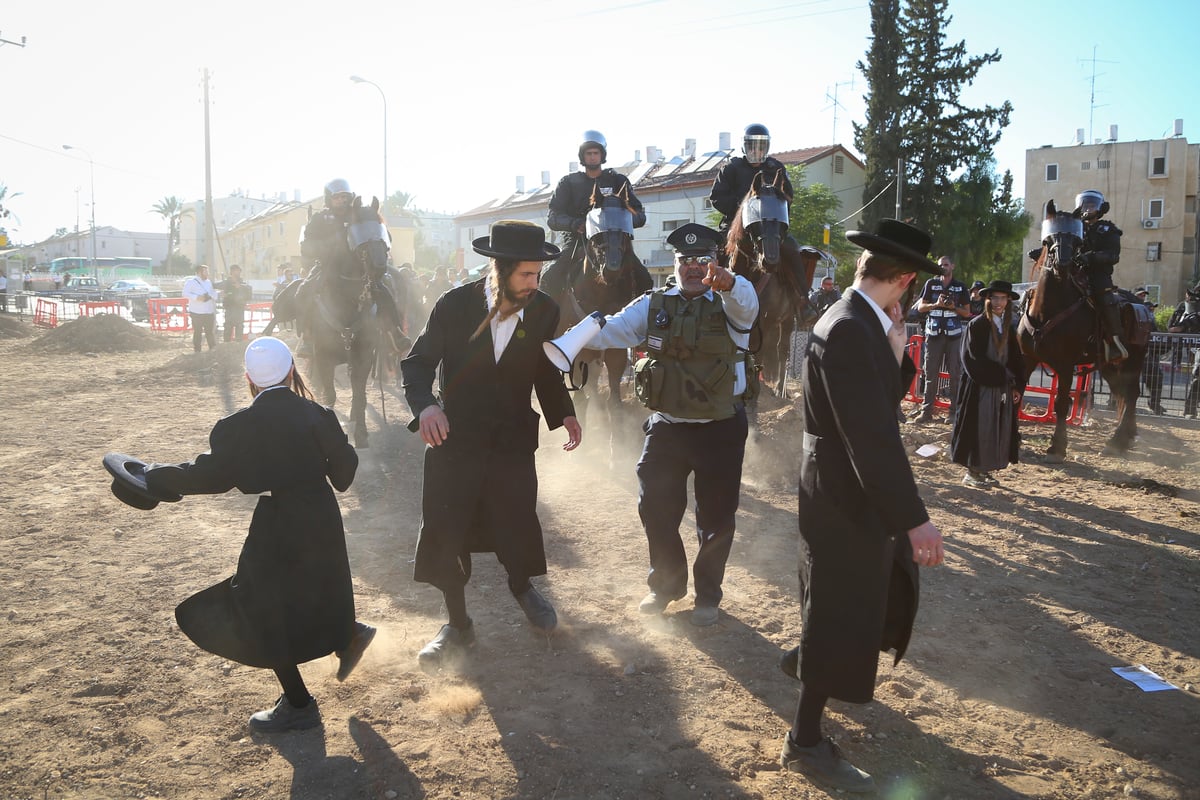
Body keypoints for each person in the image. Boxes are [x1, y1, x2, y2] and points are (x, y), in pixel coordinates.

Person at [120, 337, 376, 732]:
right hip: (322, 515)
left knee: (262, 609)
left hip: (279, 523)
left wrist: (152, 476)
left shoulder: (237, 426)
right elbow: (343, 477)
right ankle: (349, 636)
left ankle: (299, 704)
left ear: (248, 379)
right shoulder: (319, 414)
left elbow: (209, 476)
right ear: (292, 370)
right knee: (319, 585)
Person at [778, 218, 945, 794]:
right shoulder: (850, 327)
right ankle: (803, 740)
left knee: (842, 601)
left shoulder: (855, 320)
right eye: (914, 283)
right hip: (845, 493)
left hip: (837, 484)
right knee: (840, 608)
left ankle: (806, 653)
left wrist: (897, 353)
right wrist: (914, 518)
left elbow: (867, 405)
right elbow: (871, 437)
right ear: (902, 279)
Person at [401, 220, 582, 669]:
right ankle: (457, 626)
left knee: (516, 521)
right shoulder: (454, 305)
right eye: (526, 275)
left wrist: (564, 413)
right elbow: (418, 364)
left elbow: (544, 370)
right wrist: (426, 408)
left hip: (511, 442)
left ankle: (521, 586)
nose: (534, 285)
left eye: (538, 275)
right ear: (498, 269)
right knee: (448, 533)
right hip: (454, 440)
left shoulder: (543, 310)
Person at [564, 223, 759, 626]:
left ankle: (708, 596)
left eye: (702, 260)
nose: (692, 267)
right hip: (668, 426)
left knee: (716, 517)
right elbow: (612, 329)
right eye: (685, 260)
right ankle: (666, 586)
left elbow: (748, 303)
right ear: (675, 263)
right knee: (654, 505)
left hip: (719, 426)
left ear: (715, 262)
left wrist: (730, 281)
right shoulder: (652, 304)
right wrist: (568, 340)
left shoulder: (731, 302)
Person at [541, 130, 648, 300]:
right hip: (577, 241)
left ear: (602, 155)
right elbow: (553, 217)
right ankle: (548, 318)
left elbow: (639, 215)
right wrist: (575, 224)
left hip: (613, 242)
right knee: (549, 278)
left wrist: (622, 221)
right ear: (582, 156)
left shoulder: (618, 181)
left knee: (645, 279)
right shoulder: (568, 182)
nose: (592, 157)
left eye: (595, 153)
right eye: (588, 153)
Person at [709, 124, 806, 290]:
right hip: (736, 226)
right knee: (713, 251)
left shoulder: (776, 168)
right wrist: (744, 209)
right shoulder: (731, 168)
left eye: (760, 147)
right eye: (752, 147)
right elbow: (717, 197)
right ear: (745, 147)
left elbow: (788, 197)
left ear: (766, 148)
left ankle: (803, 297)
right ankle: (711, 295)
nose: (756, 151)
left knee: (793, 249)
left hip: (770, 227)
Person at [950, 280, 1025, 487]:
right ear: (988, 300)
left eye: (1002, 298)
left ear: (1009, 300)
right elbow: (972, 359)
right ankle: (972, 471)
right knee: (980, 426)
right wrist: (1002, 376)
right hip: (980, 387)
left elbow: (1016, 360)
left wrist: (1016, 385)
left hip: (1002, 386)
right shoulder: (978, 325)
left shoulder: (1008, 327)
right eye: (994, 298)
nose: (998, 302)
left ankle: (984, 470)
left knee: (997, 427)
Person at [911, 255, 969, 424]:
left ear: (953, 266)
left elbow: (967, 312)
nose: (943, 267)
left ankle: (954, 412)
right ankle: (926, 411)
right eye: (940, 265)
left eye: (946, 264)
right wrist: (936, 304)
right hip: (934, 334)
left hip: (954, 335)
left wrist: (953, 307)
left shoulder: (960, 287)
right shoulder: (931, 284)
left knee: (954, 374)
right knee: (930, 374)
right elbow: (921, 307)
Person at [1074, 189, 1128, 362]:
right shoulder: (1074, 227)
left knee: (1104, 296)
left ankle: (1114, 341)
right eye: (1084, 205)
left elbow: (1113, 256)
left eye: (1091, 205)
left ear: (1100, 208)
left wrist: (1090, 257)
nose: (1087, 209)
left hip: (1097, 274)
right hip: (1074, 272)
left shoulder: (1108, 229)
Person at [1167, 284, 1200, 417]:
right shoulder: (1185, 306)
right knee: (1198, 374)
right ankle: (1190, 409)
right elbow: (1172, 328)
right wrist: (1186, 324)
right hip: (1197, 346)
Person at [1133, 287, 1166, 414]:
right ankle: (1116, 403)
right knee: (1128, 377)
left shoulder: (1151, 321)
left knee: (1156, 376)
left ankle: (1155, 403)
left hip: (1148, 354)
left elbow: (1157, 336)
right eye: (1140, 295)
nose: (1151, 311)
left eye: (1152, 309)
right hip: (1136, 353)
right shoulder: (1133, 313)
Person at [182, 264, 217, 353]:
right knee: (198, 332)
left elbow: (212, 293)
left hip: (209, 311)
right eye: (206, 271)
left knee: (209, 332)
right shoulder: (191, 282)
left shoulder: (208, 282)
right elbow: (185, 293)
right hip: (197, 312)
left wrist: (212, 296)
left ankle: (212, 349)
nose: (208, 273)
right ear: (199, 272)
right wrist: (197, 297)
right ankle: (197, 351)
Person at [218, 264, 253, 343]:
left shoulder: (243, 284)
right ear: (231, 272)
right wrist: (223, 294)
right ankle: (226, 344)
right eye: (235, 271)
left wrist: (240, 288)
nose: (237, 273)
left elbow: (249, 296)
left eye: (238, 271)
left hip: (239, 309)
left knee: (239, 328)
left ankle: (238, 344)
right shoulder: (226, 283)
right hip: (229, 309)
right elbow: (216, 287)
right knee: (228, 328)